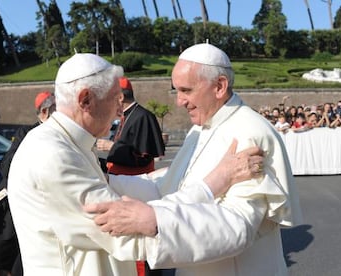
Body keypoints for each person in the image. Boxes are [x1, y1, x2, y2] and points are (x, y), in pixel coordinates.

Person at [7, 53, 264, 276]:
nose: (121, 112)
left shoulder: (64, 143)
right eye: (115, 100)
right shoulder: (53, 154)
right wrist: (216, 184)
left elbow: (116, 186)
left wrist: (168, 179)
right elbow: (130, 231)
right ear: (85, 100)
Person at [86, 43, 303, 276]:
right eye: (177, 90)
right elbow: (166, 189)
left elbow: (239, 225)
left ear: (219, 86)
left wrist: (155, 220)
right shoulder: (199, 130)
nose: (179, 101)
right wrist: (108, 181)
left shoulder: (250, 133)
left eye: (186, 90)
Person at [96, 76, 166, 276]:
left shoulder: (142, 116)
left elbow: (143, 157)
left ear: (119, 98)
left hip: (137, 189)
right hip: (122, 186)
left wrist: (111, 147)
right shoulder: (126, 116)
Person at [0, 91, 55, 276]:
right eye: (55, 109)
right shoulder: (27, 133)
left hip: (41, 208)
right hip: (12, 206)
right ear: (44, 112)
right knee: (4, 255)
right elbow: (8, 165)